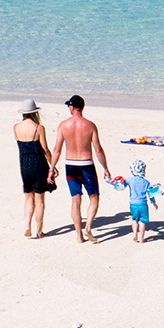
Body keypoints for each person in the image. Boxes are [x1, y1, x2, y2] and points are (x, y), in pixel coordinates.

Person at [56, 94, 113, 243]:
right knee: (94, 197)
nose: (69, 108)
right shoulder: (90, 125)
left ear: (73, 107)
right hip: (86, 164)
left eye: (69, 105)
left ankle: (79, 236)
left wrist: (52, 168)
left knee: (75, 200)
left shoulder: (63, 125)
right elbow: (98, 150)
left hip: (70, 164)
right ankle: (87, 227)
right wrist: (105, 168)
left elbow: (57, 149)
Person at [12, 100, 57, 238]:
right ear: (35, 112)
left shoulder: (16, 127)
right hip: (38, 164)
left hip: (24, 164)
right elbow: (45, 149)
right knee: (40, 199)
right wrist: (52, 165)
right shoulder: (39, 128)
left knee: (28, 196)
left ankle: (27, 225)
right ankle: (39, 231)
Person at [111, 159, 162, 243]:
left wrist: (109, 180)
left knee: (134, 220)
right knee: (142, 222)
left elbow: (119, 183)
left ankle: (135, 234)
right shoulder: (146, 182)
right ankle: (141, 239)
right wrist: (154, 203)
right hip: (143, 205)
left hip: (133, 204)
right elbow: (151, 194)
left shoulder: (130, 180)